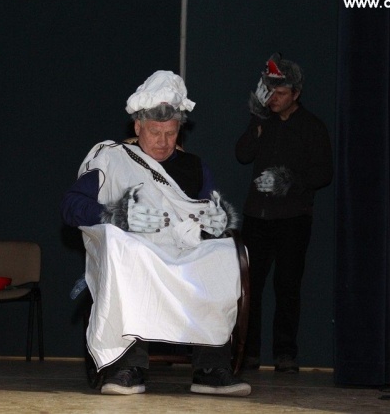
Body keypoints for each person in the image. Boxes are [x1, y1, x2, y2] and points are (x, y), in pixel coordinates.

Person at [61, 70, 251, 397]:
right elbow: (71, 205)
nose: (163, 141)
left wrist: (211, 223)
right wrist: (117, 215)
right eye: (154, 132)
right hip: (136, 248)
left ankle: (210, 367)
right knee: (129, 250)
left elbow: (213, 212)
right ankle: (126, 366)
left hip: (183, 249)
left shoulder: (194, 167)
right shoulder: (113, 159)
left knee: (222, 254)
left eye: (170, 133)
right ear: (138, 127)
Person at [235, 53, 333, 373]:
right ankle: (248, 353)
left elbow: (324, 173)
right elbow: (242, 154)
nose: (273, 98)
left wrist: (289, 181)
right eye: (269, 91)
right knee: (249, 288)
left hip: (293, 218)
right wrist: (256, 117)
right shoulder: (263, 120)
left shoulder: (312, 126)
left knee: (287, 287)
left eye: (280, 93)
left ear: (296, 94)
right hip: (257, 217)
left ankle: (285, 353)